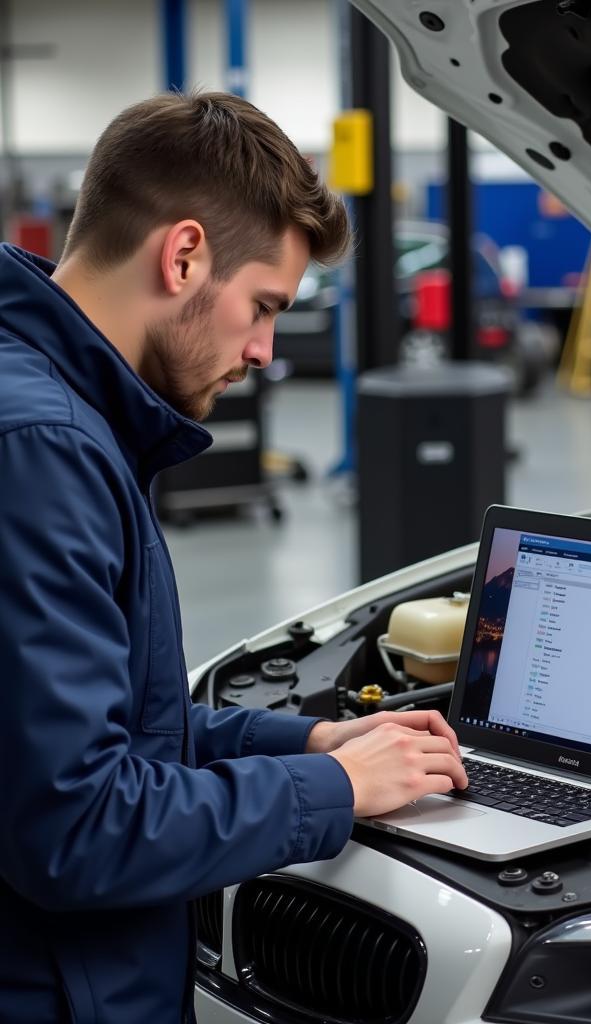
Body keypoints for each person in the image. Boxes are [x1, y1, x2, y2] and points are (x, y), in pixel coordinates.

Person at [0, 91, 468, 1024]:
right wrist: (332, 790)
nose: (262, 350)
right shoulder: (44, 449)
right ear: (182, 256)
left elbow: (109, 728)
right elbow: (75, 828)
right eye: (262, 307)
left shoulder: (47, 401)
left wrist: (311, 740)